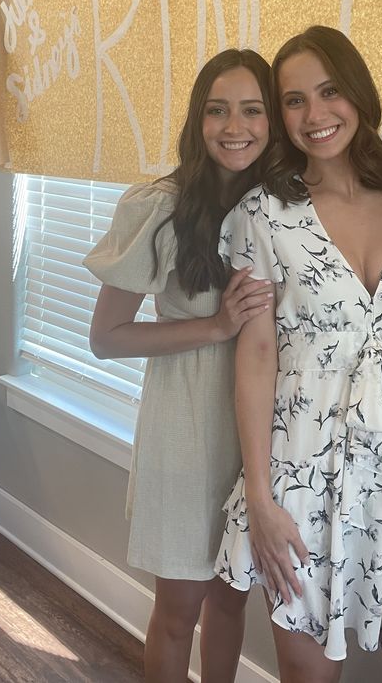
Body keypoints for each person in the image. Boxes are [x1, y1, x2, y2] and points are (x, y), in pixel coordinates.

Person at [216, 26, 382, 683]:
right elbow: (255, 357)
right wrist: (259, 495)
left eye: (329, 91)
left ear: (358, 93)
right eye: (294, 100)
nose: (315, 114)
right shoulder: (265, 215)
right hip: (303, 482)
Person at [84, 49, 275, 683]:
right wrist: (216, 326)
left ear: (273, 120)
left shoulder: (284, 211)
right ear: (197, 120)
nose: (234, 126)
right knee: (179, 609)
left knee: (231, 601)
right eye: (217, 110)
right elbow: (106, 337)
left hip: (263, 438)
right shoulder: (161, 208)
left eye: (252, 109)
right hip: (186, 430)